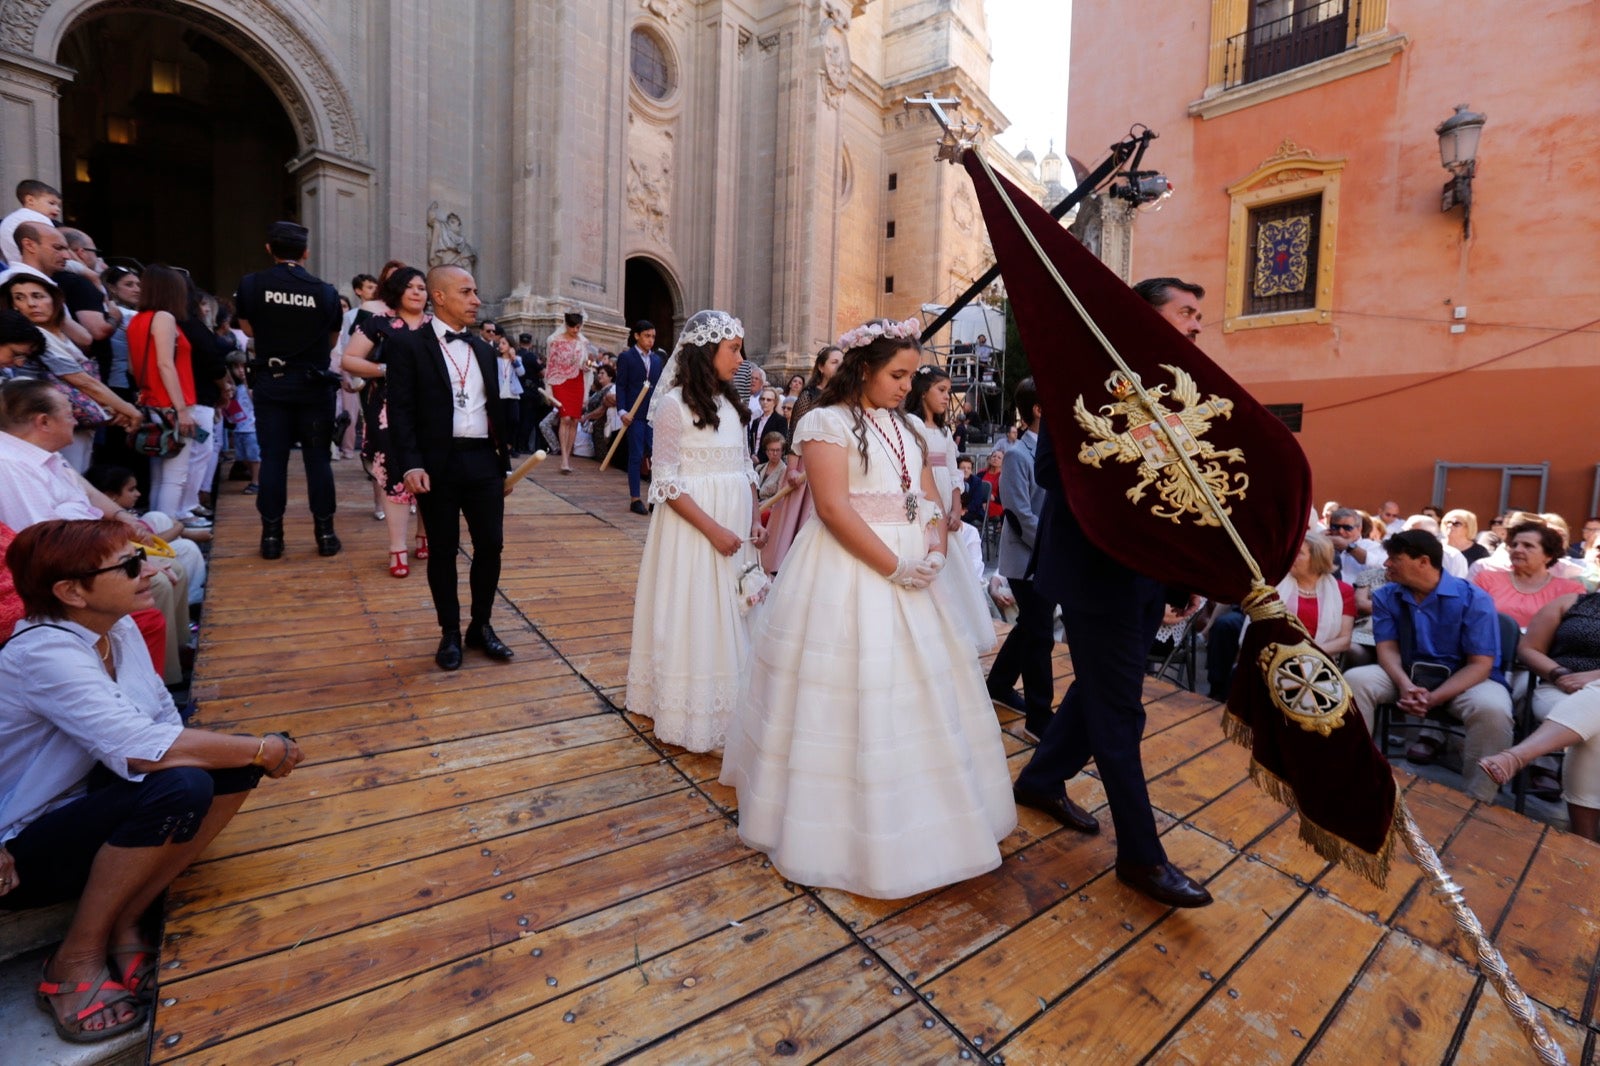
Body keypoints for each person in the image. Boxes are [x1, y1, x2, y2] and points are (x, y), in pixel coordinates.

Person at [720, 317, 1013, 899]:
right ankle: (841, 833)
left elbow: (927, 497)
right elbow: (831, 507)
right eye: (897, 374)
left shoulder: (907, 427)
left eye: (909, 375)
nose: (907, 385)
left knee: (922, 692)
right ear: (864, 369)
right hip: (850, 570)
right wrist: (894, 565)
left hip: (914, 572)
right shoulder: (825, 422)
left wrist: (931, 546)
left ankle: (934, 818)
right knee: (850, 688)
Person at [0, 518, 303, 1043]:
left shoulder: (114, 629)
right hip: (19, 847)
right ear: (72, 591)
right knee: (183, 782)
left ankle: (127, 918)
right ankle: (74, 960)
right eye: (131, 565)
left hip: (81, 805)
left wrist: (252, 752)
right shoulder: (43, 653)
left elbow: (163, 722)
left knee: (220, 763)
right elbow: (140, 750)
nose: (153, 571)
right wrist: (264, 748)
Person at [1011, 275, 1218, 909]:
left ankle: (1042, 779)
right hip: (1095, 572)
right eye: (1186, 312)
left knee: (1104, 688)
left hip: (1144, 574)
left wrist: (1180, 574)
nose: (1196, 324)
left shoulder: (1181, 387)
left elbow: (1182, 491)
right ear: (1144, 313)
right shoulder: (1084, 376)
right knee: (1121, 709)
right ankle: (1141, 856)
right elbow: (1053, 471)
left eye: (1198, 315)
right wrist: (1129, 459)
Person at [625, 310, 761, 751]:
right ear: (707, 352)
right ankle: (689, 708)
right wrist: (714, 530)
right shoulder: (672, 406)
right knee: (698, 609)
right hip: (696, 529)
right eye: (733, 349)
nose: (741, 359)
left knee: (733, 609)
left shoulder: (734, 408)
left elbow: (746, 468)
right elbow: (665, 482)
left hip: (734, 526)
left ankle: (734, 705)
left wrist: (754, 517)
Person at [386, 265, 515, 671]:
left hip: (482, 461)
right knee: (441, 550)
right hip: (436, 463)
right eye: (467, 291)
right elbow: (401, 412)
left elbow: (496, 410)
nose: (476, 299)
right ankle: (449, 633)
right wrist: (410, 465)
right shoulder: (408, 346)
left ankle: (481, 626)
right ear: (439, 297)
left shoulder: (484, 350)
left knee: (490, 545)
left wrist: (503, 468)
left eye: (476, 291)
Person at [1344, 529, 1512, 797]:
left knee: (1494, 709)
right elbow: (1387, 648)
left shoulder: (1474, 599)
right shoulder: (1386, 595)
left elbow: (1480, 664)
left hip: (1466, 680)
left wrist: (1433, 698)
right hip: (1408, 674)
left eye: (1394, 558)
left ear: (1423, 561)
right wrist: (1405, 685)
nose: (1386, 564)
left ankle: (1479, 800)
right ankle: (1355, 776)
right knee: (1355, 681)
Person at [232, 221, 343, 559]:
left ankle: (271, 539)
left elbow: (249, 330)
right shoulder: (325, 291)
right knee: (318, 461)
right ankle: (325, 535)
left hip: (273, 383)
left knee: (274, 460)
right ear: (305, 252)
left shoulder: (252, 285)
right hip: (313, 386)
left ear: (270, 249)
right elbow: (333, 340)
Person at [1479, 590, 1600, 840]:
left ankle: (1517, 756)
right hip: (1558, 690)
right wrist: (1558, 673)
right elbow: (1529, 648)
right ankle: (1584, 840)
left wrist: (1594, 678)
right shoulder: (1573, 603)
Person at [341, 265, 430, 578]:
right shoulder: (379, 323)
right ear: (397, 291)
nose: (418, 291)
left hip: (430, 413)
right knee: (395, 475)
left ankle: (424, 536)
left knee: (430, 475)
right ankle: (397, 548)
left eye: (422, 287)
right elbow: (349, 359)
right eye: (411, 286)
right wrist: (385, 370)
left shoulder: (437, 326)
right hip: (388, 411)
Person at [3, 272, 140, 471]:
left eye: (38, 296)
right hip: (44, 421)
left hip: (72, 420)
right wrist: (128, 409)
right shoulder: (37, 335)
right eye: (19, 298)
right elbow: (81, 380)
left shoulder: (55, 333)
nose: (30, 304)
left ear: (55, 300)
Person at [760, 344, 842, 574]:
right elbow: (796, 432)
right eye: (835, 362)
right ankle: (788, 564)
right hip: (806, 464)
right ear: (821, 367)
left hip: (832, 463)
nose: (840, 366)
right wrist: (793, 469)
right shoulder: (808, 395)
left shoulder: (842, 396)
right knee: (798, 516)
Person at [1472, 521, 1583, 629]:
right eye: (1514, 545)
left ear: (1548, 555)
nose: (1517, 550)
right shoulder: (1486, 580)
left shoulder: (1570, 590)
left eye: (1528, 546)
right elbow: (1472, 619)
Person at [1274, 530, 1355, 655]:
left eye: (1298, 553)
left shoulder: (1343, 591)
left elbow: (1344, 640)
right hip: (1273, 654)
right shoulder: (1275, 583)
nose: (1291, 556)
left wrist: (1306, 653)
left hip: (1318, 660)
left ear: (1317, 559)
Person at [615, 319, 666, 513]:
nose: (650, 340)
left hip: (652, 415)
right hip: (634, 415)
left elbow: (660, 387)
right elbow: (621, 385)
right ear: (637, 336)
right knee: (636, 455)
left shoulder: (656, 360)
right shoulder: (627, 357)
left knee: (656, 455)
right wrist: (622, 411)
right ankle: (635, 498)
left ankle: (655, 497)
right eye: (647, 336)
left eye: (653, 336)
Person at [545, 312, 588, 474]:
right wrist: (548, 388)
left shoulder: (583, 342)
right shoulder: (555, 341)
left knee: (575, 420)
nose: (575, 330)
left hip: (577, 380)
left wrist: (586, 367)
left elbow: (585, 363)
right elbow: (550, 363)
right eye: (572, 326)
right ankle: (563, 458)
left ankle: (567, 457)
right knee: (565, 418)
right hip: (559, 381)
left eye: (578, 327)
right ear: (566, 324)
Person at [0, 179, 62, 265]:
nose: (57, 209)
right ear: (30, 200)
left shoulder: (8, 220)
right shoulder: (40, 219)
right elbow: (56, 248)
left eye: (58, 206)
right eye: (51, 203)